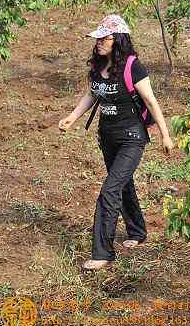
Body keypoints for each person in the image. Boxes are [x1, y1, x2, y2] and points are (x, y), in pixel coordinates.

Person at [58, 14, 173, 271]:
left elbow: (151, 101)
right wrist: (72, 117)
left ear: (118, 39)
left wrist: (165, 135)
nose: (99, 42)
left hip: (132, 138)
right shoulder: (98, 66)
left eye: (104, 38)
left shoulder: (133, 67)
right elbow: (92, 94)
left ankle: (103, 253)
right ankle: (137, 231)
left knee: (109, 190)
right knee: (122, 183)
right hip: (108, 137)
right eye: (97, 38)